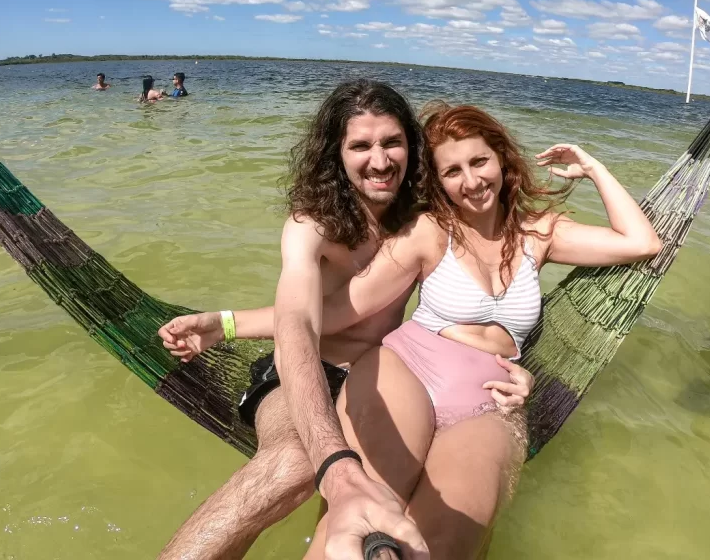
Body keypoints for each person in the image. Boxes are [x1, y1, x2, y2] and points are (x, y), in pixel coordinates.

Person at [168, 103, 662, 559]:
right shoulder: (429, 231)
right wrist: (226, 324)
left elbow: (643, 243)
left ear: (503, 162)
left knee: (442, 542)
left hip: (488, 396)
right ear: (438, 181)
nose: (471, 181)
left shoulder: (542, 233)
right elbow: (336, 311)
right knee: (359, 526)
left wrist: (592, 167)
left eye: (479, 161)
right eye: (452, 171)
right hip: (405, 369)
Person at [157, 83, 531, 560]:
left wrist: (510, 362)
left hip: (399, 378)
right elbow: (300, 324)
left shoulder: (422, 219)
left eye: (392, 142)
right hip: (311, 373)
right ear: (336, 154)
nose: (379, 161)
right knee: (295, 462)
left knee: (426, 506)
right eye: (360, 146)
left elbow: (494, 281)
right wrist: (227, 326)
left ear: (412, 149)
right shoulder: (312, 226)